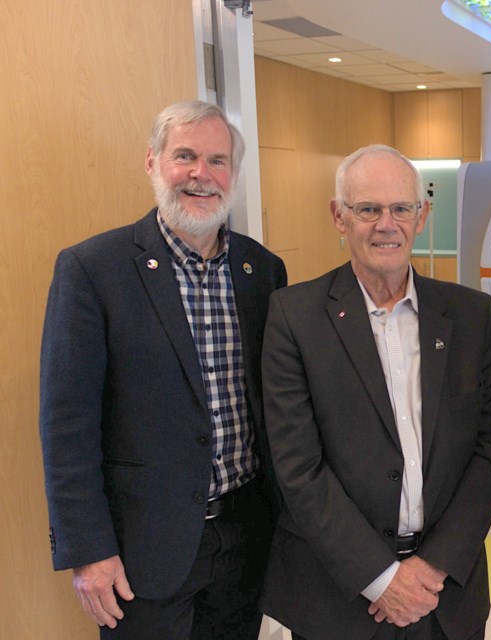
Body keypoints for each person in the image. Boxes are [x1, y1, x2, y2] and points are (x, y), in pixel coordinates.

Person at [39, 100, 287, 639]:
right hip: (144, 551)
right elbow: (66, 425)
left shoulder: (262, 270)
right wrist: (89, 550)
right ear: (152, 163)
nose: (202, 174)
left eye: (218, 161)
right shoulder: (93, 270)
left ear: (234, 175)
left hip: (246, 535)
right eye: (185, 156)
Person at [259, 144, 491, 640]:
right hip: (340, 592)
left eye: (401, 208)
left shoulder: (470, 314)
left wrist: (433, 567)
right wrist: (381, 579)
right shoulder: (295, 316)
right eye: (368, 209)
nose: (386, 224)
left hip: (446, 594)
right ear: (339, 217)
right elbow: (298, 468)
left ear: (422, 217)